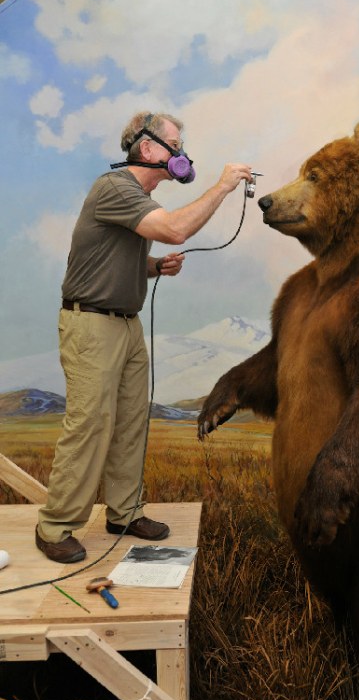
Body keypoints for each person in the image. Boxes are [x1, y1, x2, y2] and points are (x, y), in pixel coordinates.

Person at [36, 110, 253, 563]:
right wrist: (223, 186)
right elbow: (174, 229)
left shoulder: (137, 199)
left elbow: (110, 258)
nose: (182, 153)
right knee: (89, 424)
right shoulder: (115, 188)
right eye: (176, 144)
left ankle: (125, 512)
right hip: (92, 324)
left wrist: (154, 267)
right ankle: (54, 528)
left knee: (132, 422)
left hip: (126, 324)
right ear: (149, 147)